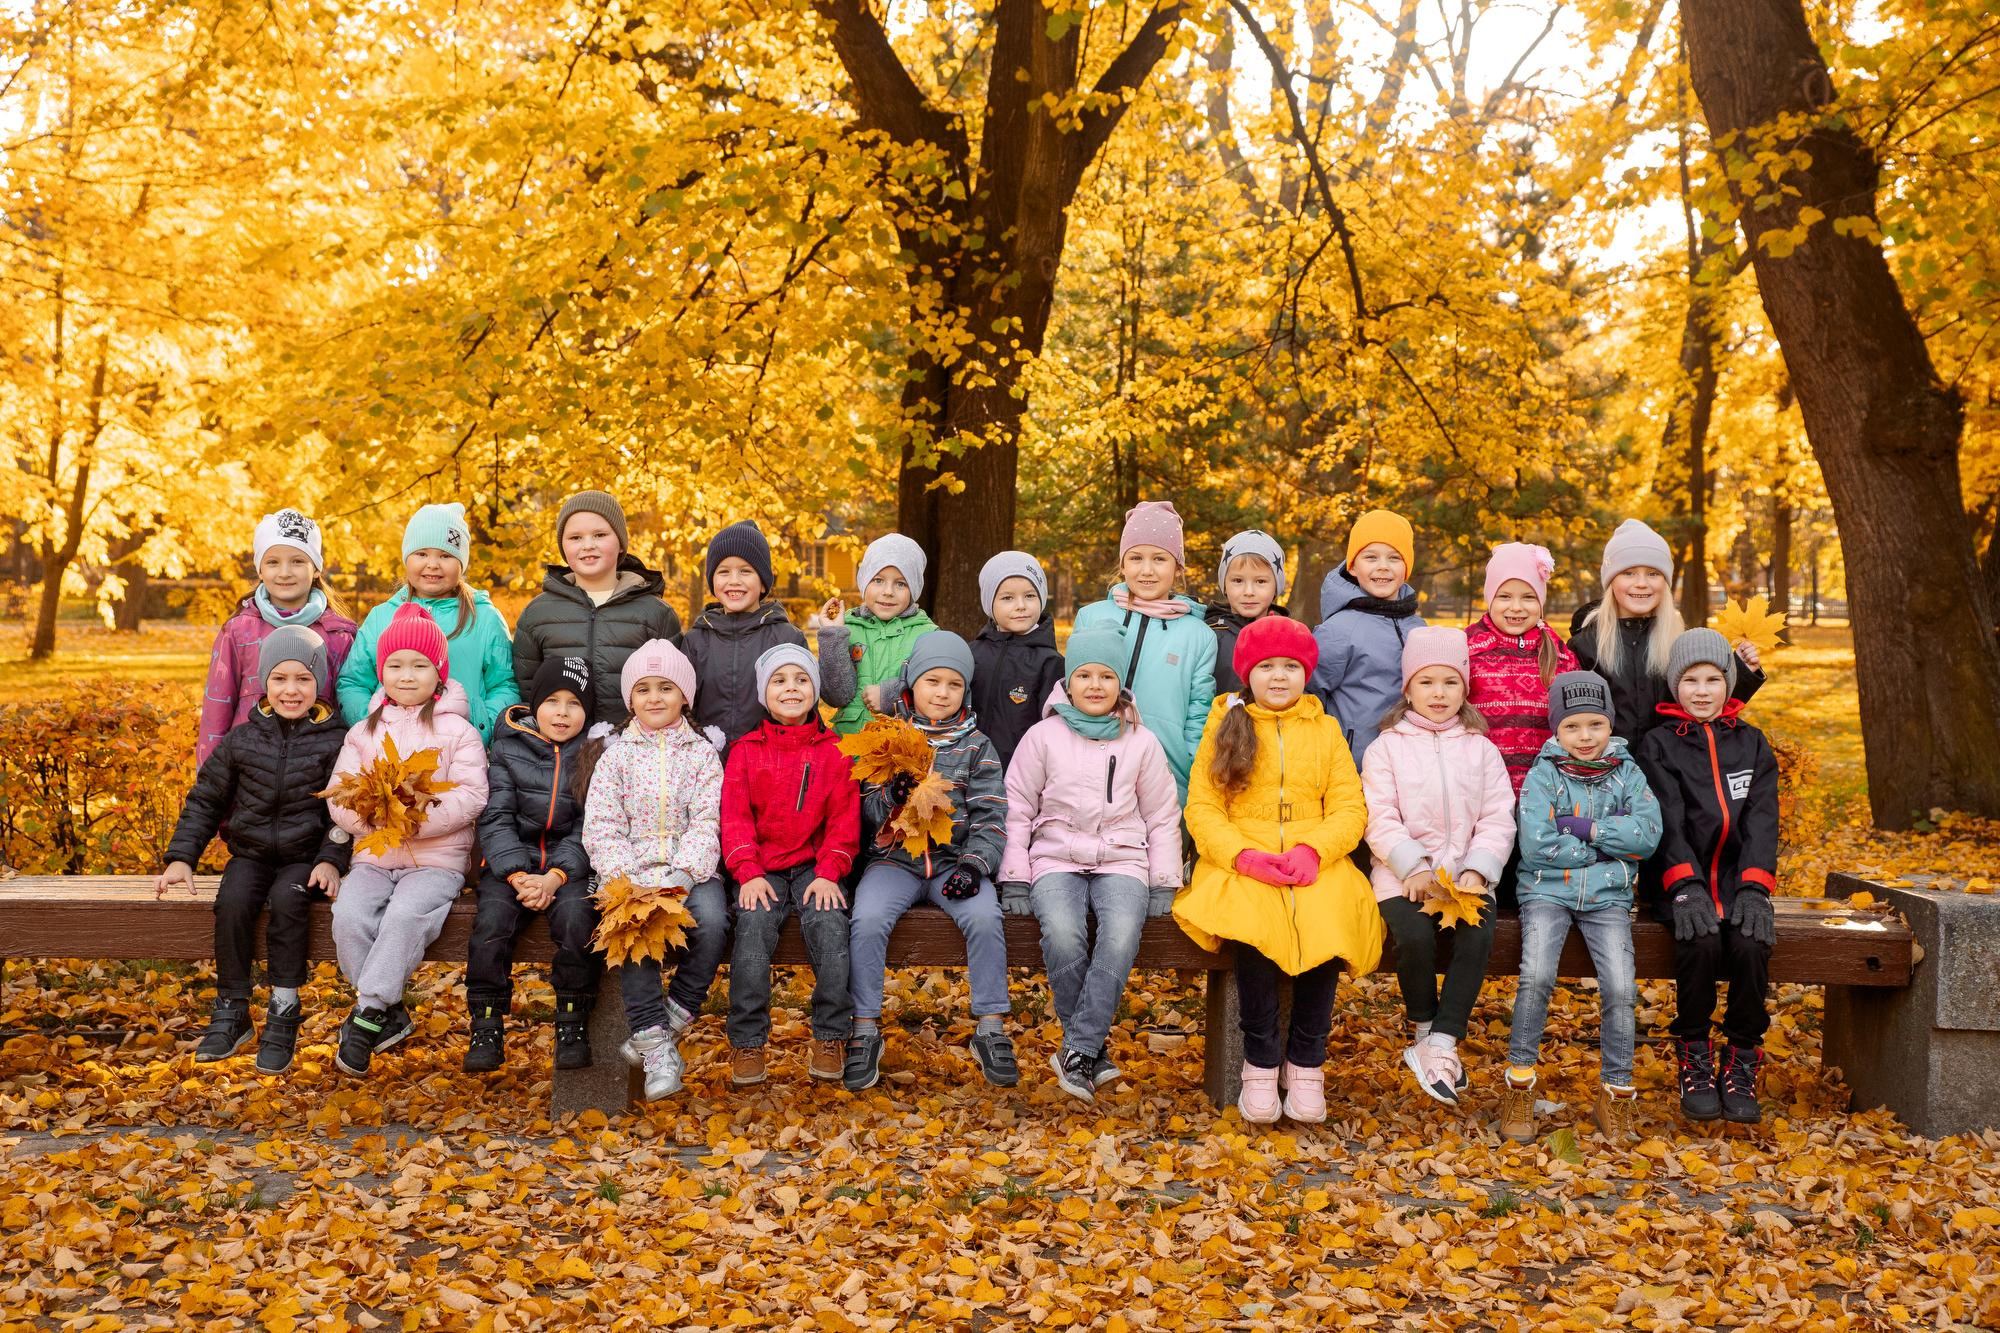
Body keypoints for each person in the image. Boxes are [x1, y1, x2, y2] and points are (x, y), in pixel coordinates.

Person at [1175, 616, 1383, 1125]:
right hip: (1242, 853)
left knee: (1330, 914)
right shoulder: (1226, 724)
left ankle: (1307, 1061)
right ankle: (1261, 1060)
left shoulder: (1325, 729)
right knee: (1252, 922)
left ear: (1305, 673)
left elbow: (1349, 807)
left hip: (1314, 854)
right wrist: (1242, 856)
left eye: (1291, 666)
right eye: (1266, 666)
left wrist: (1315, 850)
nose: (1279, 676)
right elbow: (1203, 807)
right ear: (1248, 673)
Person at [998, 626, 1181, 1102]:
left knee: (1119, 935)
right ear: (1068, 681)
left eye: (1106, 676)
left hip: (1123, 858)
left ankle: (1077, 1049)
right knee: (1063, 932)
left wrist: (1163, 880)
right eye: (1084, 675)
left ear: (1120, 684)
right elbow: (1017, 808)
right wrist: (1015, 876)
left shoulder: (1141, 742)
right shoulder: (1043, 737)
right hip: (1054, 855)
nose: (1095, 685)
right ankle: (1090, 1052)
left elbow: (1162, 814)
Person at [158, 625, 350, 1073]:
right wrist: (182, 857)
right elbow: (206, 799)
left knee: (287, 901)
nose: (291, 690)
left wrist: (330, 859)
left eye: (303, 679)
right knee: (232, 901)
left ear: (319, 683)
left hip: (304, 858)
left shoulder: (336, 741)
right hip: (251, 853)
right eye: (279, 678)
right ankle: (232, 1007)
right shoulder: (243, 739)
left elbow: (345, 813)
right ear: (264, 681)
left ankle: (284, 1008)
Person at [843, 631, 1013, 1092]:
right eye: (932, 681)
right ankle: (864, 1028)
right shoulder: (887, 740)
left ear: (966, 691)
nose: (942, 692)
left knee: (985, 917)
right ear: (911, 685)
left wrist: (975, 866)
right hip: (894, 863)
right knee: (867, 919)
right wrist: (891, 798)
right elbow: (866, 812)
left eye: (954, 684)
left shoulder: (977, 746)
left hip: (954, 864)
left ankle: (991, 1028)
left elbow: (991, 815)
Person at [1498, 670, 1662, 1145]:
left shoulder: (1628, 774)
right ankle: (1519, 1085)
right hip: (1546, 893)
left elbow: (1647, 836)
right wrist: (1607, 850)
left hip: (1609, 898)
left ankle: (1615, 1092)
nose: (1585, 736)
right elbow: (1536, 845)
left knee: (1620, 987)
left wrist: (1583, 828)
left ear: (1610, 724)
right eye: (1572, 726)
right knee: (1536, 977)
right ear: (1557, 728)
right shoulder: (1543, 775)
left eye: (1595, 724)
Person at [326, 603, 491, 1077]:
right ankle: (388, 1012)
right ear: (382, 672)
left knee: (403, 916)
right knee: (349, 916)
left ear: (439, 673)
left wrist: (415, 820)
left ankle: (367, 1016)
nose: (406, 675)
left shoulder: (458, 731)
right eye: (395, 665)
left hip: (436, 860)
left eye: (419, 665)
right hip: (374, 856)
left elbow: (472, 794)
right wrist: (374, 820)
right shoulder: (363, 732)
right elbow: (340, 793)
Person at [1361, 627, 1514, 1106]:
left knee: (1478, 936)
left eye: (1450, 682)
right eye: (1426, 682)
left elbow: (1497, 815)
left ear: (1465, 689)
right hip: (1402, 876)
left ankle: (1444, 1041)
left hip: (1465, 876)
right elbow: (1379, 815)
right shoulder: (1386, 747)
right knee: (1414, 937)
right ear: (1408, 689)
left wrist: (1479, 869)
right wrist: (1411, 866)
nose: (1439, 693)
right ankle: (1425, 1028)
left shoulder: (1481, 748)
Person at [1636, 628, 1781, 1126]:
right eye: (1690, 680)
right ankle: (1693, 1053)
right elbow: (1666, 820)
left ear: (1729, 684)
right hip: (1680, 886)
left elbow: (1763, 820)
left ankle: (1742, 1056)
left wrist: (1756, 887)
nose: (1701, 691)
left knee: (1750, 946)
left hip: (1740, 885)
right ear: (1674, 686)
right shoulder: (1658, 745)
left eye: (1713, 679)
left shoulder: (1752, 743)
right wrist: (1684, 884)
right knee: (1698, 944)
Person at [581, 639, 728, 1100]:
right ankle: (655, 1047)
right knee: (632, 930)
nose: (655, 698)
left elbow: (708, 819)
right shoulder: (616, 756)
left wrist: (684, 873)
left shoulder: (701, 754)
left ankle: (673, 1016)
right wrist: (626, 879)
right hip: (631, 872)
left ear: (685, 696)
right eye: (643, 689)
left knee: (713, 922)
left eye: (666, 688)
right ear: (630, 700)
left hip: (691, 871)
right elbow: (602, 825)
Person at [721, 644, 861, 1087]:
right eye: (779, 681)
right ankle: (747, 1041)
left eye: (802, 680)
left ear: (815, 691)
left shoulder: (835, 750)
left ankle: (831, 1035)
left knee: (830, 927)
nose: (791, 688)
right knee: (752, 930)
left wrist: (830, 871)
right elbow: (734, 818)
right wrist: (747, 872)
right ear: (764, 693)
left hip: (814, 868)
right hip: (761, 869)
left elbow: (844, 820)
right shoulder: (746, 750)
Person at [464, 656, 606, 1074]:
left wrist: (556, 877)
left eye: (574, 704)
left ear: (587, 712)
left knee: (579, 920)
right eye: (552, 702)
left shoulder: (595, 753)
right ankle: (486, 1024)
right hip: (512, 866)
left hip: (570, 869)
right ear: (535, 704)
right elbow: (496, 817)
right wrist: (519, 875)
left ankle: (572, 1020)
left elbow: (591, 824)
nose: (562, 713)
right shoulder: (508, 747)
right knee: (491, 924)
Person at [1569, 519, 1763, 747]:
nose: (1641, 583)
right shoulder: (1585, 646)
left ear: (1665, 582)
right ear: (1611, 581)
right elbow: (1570, 716)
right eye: (1628, 573)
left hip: (1674, 763)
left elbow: (1707, 705)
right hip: (1608, 765)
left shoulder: (1681, 642)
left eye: (1653, 573)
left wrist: (1743, 674)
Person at [1071, 501, 1218, 800]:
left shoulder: (1199, 636)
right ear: (1122, 564)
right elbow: (1071, 692)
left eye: (1159, 559)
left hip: (1167, 779)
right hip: (1090, 773)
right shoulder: (1091, 618)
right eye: (1136, 558)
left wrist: (1190, 771)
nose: (1146, 570)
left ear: (1178, 567)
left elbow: (1198, 715)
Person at [336, 503, 519, 739]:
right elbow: (353, 682)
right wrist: (373, 727)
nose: (432, 564)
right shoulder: (382, 618)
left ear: (461, 563)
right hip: (390, 747)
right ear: (407, 558)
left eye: (446, 555)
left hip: (462, 747)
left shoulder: (484, 618)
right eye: (421, 554)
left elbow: (505, 684)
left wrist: (480, 729)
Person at [197, 508, 356, 764]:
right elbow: (216, 712)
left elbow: (347, 712)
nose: (285, 572)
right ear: (260, 570)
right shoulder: (238, 632)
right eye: (273, 562)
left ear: (316, 568)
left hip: (315, 773)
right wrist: (209, 777)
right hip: (247, 773)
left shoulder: (339, 636)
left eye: (297, 561)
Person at [511, 490, 682, 726]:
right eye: (575, 538)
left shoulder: (656, 613)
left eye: (600, 535)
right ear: (562, 546)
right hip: (560, 741)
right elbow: (527, 686)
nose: (588, 545)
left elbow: (676, 685)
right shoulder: (538, 613)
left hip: (636, 742)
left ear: (620, 543)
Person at [1311, 508, 1425, 770]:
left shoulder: (1418, 628)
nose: (1383, 566)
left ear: (1406, 568)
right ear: (1352, 566)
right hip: (1356, 762)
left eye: (1394, 558)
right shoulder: (1338, 630)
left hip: (1410, 762)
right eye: (1371, 557)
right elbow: (1312, 694)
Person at [682, 520, 808, 749]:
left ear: (763, 583)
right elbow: (682, 709)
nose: (734, 581)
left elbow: (804, 711)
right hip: (707, 761)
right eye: (724, 571)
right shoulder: (696, 641)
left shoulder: (787, 639)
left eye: (745, 571)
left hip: (769, 759)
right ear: (712, 581)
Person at [820, 532, 937, 737]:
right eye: (878, 580)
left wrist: (892, 695)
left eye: (901, 583)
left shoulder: (928, 635)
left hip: (901, 747)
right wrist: (833, 634)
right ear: (864, 581)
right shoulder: (846, 629)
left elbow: (938, 690)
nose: (888, 591)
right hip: (849, 745)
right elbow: (836, 696)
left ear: (914, 588)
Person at [968, 551, 1064, 768]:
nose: (1021, 605)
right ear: (989, 604)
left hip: (1021, 772)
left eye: (1029, 596)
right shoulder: (972, 654)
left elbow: (1054, 729)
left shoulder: (1050, 662)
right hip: (969, 770)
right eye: (1007, 598)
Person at [1205, 529, 1290, 694]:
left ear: (1276, 587)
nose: (1249, 591)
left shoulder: (1289, 635)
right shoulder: (1208, 634)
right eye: (1238, 580)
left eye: (1260, 581)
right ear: (1224, 585)